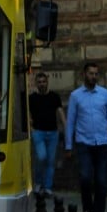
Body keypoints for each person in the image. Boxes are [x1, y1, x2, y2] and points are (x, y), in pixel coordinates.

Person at [64, 61, 107, 212]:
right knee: (86, 178)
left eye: (96, 74)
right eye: (91, 73)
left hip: (102, 143)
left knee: (102, 182)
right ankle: (87, 211)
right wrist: (68, 145)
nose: (94, 76)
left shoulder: (105, 94)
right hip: (84, 143)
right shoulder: (75, 96)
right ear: (84, 74)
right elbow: (71, 122)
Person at [27, 71, 65, 201]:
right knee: (41, 157)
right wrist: (31, 127)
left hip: (53, 132)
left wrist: (66, 128)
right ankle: (38, 183)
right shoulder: (32, 98)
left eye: (44, 82)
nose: (42, 84)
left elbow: (60, 112)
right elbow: (27, 114)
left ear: (47, 82)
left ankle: (47, 187)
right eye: (39, 82)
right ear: (36, 83)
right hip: (38, 132)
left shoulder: (54, 96)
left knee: (50, 161)